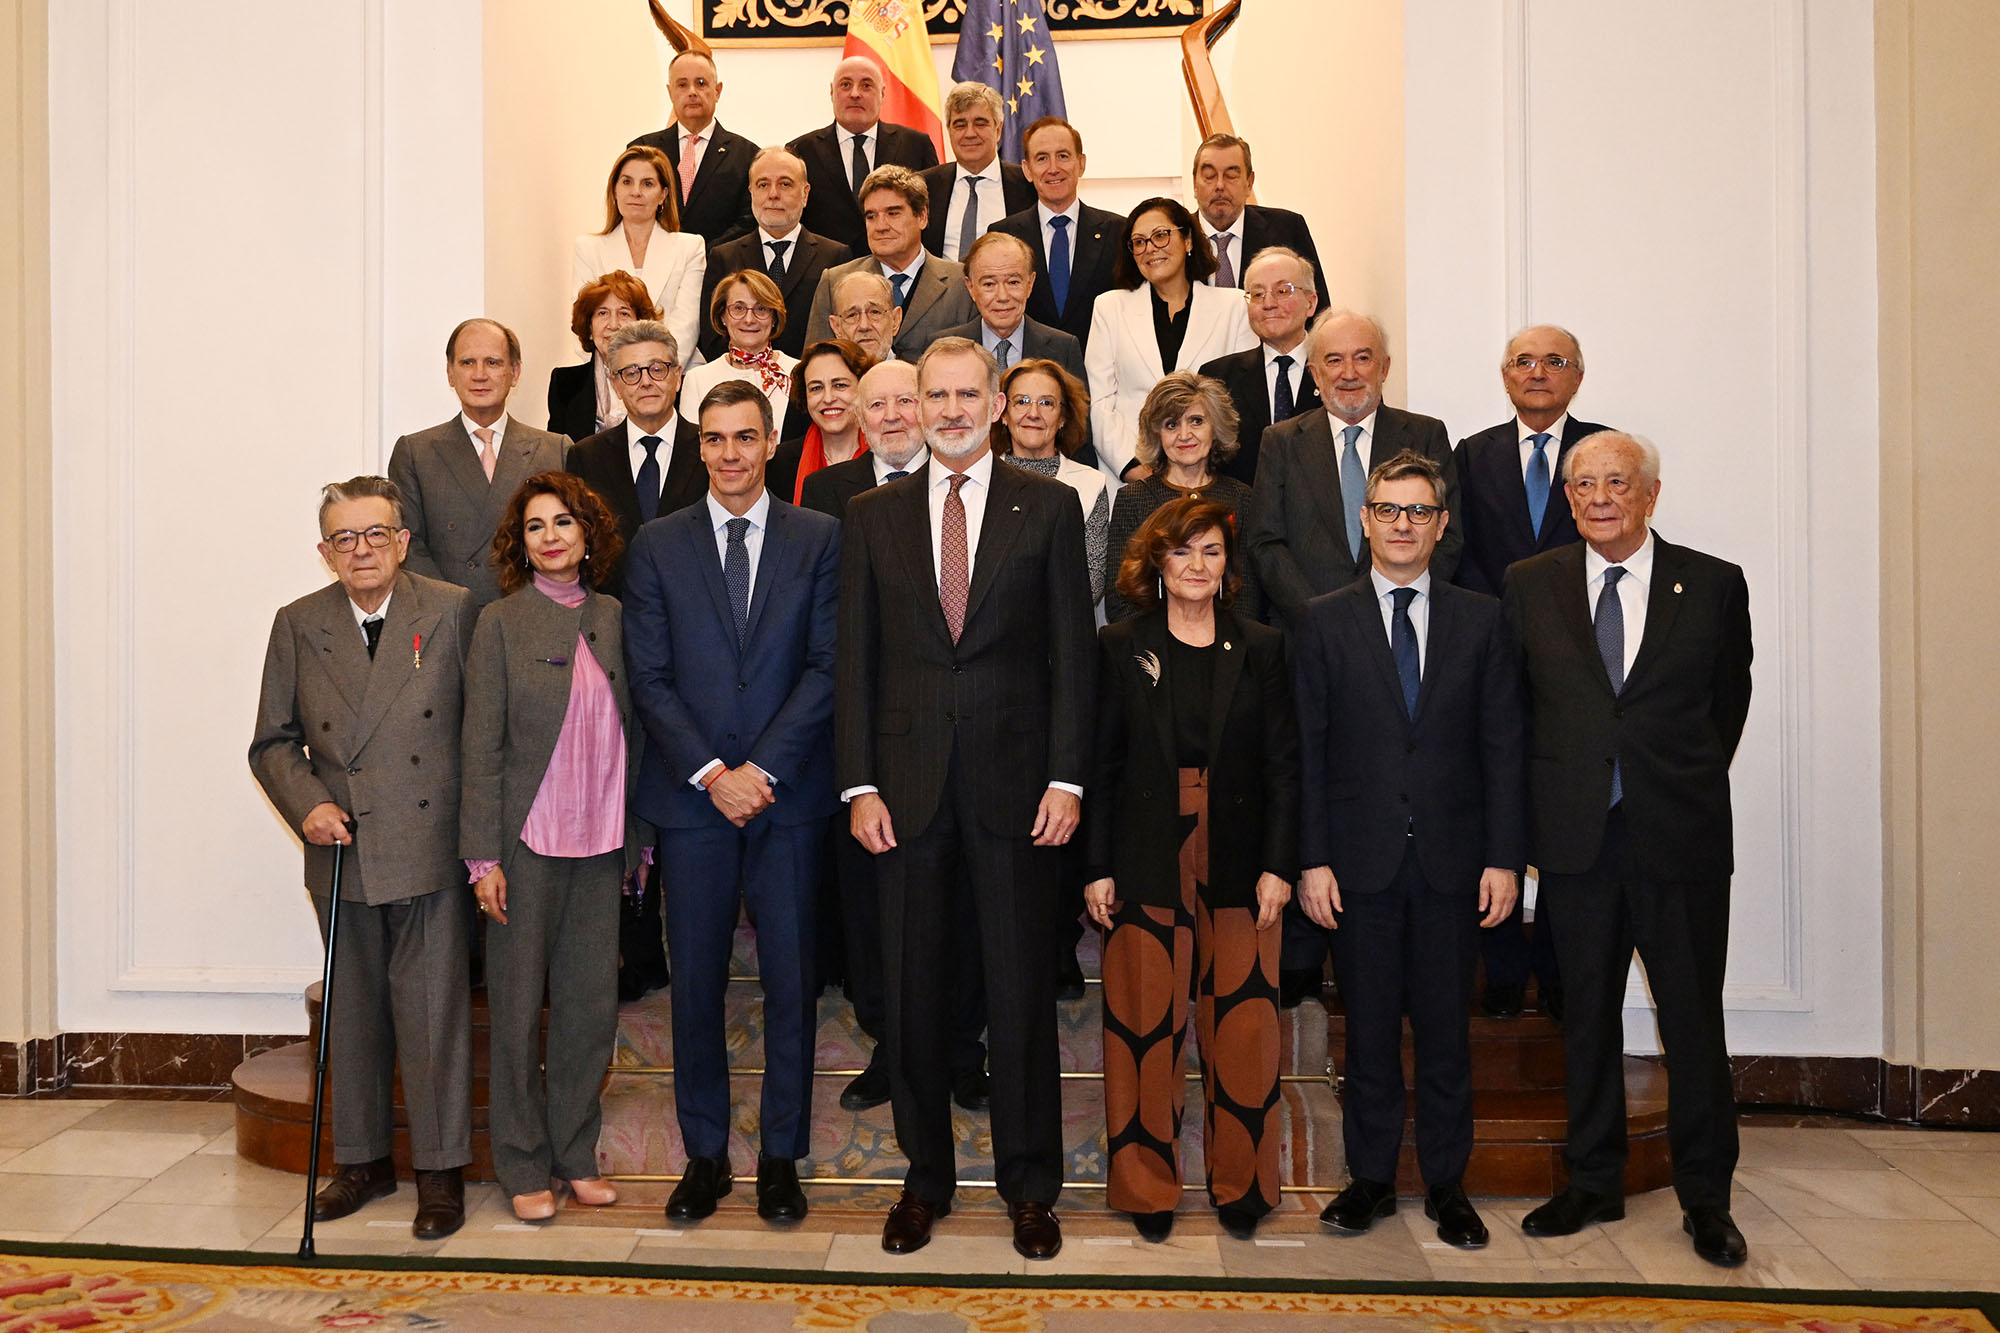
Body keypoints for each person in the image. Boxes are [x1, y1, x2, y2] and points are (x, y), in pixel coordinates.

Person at [836, 337, 1094, 1261]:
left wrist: (1068, 776)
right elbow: (857, 660)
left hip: (1020, 793)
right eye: (931, 394)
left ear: (995, 403)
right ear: (912, 406)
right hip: (902, 796)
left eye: (964, 393)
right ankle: (925, 1179)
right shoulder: (872, 513)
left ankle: (1031, 1188)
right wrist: (859, 783)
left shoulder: (1052, 508)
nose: (947, 409)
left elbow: (1073, 653)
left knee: (1021, 991)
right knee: (911, 995)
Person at [1504, 432, 1754, 1269]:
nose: (1599, 496)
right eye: (1584, 483)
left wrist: (1663, 781)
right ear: (1567, 497)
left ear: (1651, 493)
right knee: (1585, 1023)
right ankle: (1593, 1179)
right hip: (1575, 842)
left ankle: (1708, 1197)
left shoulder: (1714, 583)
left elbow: (1726, 708)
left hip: (1677, 838)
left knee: (1691, 1020)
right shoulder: (1528, 584)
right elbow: (1518, 712)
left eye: (1617, 481)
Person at [1293, 451, 1525, 1252]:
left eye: (1418, 511)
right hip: (1356, 868)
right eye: (1388, 509)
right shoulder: (1323, 618)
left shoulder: (1483, 618)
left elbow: (1503, 745)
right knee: (1368, 1038)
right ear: (1365, 519)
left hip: (1456, 866)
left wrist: (1504, 855)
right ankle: (1370, 1180)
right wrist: (1312, 858)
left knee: (1445, 1033)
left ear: (1441, 522)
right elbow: (1308, 751)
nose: (1402, 524)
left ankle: (1449, 1184)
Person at [624, 379, 843, 1226]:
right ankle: (705, 1155)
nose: (729, 454)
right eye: (713, 439)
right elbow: (649, 675)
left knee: (791, 983)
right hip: (693, 803)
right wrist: (716, 772)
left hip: (787, 800)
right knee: (697, 985)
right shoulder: (656, 543)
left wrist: (765, 771)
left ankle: (782, 1156)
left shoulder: (818, 536)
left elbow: (826, 665)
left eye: (744, 437)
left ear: (770, 440)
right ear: (698, 447)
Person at [249, 475, 476, 1241]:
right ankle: (363, 1161)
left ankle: (440, 1172)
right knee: (352, 1017)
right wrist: (307, 801)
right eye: (344, 538)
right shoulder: (297, 623)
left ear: (402, 541)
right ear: (324, 552)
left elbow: (479, 734)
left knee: (434, 1014)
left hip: (429, 847)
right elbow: (273, 740)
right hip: (342, 847)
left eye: (375, 534)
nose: (362, 550)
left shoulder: (448, 609)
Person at [1084, 496, 1297, 1244]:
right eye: (1182, 552)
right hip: (1145, 846)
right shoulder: (1119, 643)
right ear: (1157, 563)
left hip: (1242, 851)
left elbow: (1283, 766)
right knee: (1143, 1023)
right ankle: (1147, 1187)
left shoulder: (1263, 645)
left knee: (1245, 1024)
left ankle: (1243, 1185)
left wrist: (1279, 865)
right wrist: (1097, 863)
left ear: (1226, 564)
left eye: (1210, 552)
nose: (1198, 566)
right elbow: (1102, 763)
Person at [1243, 307, 1461, 1008]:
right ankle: (1304, 957)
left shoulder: (1424, 434)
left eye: (1362, 357)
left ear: (1385, 367)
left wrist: (1374, 610)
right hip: (1305, 640)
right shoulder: (1282, 439)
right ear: (1312, 372)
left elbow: (1449, 539)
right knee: (1309, 773)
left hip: (1402, 640)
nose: (1348, 372)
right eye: (1332, 360)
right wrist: (1323, 615)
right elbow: (1266, 542)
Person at [801, 361, 989, 1116]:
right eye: (869, 402)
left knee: (968, 907)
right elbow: (839, 633)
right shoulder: (830, 494)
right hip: (876, 734)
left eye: (900, 400)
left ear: (925, 408)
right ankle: (891, 1044)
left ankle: (963, 1047)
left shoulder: (980, 494)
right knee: (876, 909)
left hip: (972, 741)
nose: (885, 413)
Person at [461, 472, 643, 1221]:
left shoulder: (615, 616)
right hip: (523, 849)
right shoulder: (500, 622)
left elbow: (641, 728)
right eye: (535, 526)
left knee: (588, 1011)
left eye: (564, 521)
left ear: (587, 532)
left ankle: (575, 1154)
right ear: (520, 543)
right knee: (513, 1014)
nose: (551, 536)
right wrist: (482, 857)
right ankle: (523, 1164)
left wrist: (642, 839)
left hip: (602, 844)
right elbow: (480, 747)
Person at [1454, 324, 1611, 1022]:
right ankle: (1503, 971)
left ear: (1578, 377)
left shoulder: (1605, 450)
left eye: (1555, 362)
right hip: (1491, 655)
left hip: (1576, 664)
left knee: (1563, 820)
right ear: (1505, 374)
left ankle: (1555, 968)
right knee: (1495, 806)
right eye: (1524, 361)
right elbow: (1458, 551)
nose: (1538, 372)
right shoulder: (1472, 453)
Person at [389, 318, 568, 607]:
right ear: (450, 373)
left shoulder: (555, 449)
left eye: (493, 363)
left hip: (532, 616)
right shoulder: (415, 452)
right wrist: (451, 609)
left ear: (515, 372)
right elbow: (409, 546)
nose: (480, 375)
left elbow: (568, 542)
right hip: (448, 620)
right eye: (467, 362)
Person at [1085, 197, 1255, 484]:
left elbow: (1239, 402)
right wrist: (1134, 467)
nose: (1150, 248)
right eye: (1139, 242)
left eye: (1161, 236)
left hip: (1209, 475)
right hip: (1133, 477)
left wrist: (1198, 466)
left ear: (1188, 240)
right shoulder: (1109, 308)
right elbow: (1100, 402)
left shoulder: (1234, 306)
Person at [1102, 372, 1261, 624]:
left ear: (1215, 427)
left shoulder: (1241, 498)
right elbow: (1121, 594)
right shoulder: (1133, 498)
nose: (1184, 434)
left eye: (1196, 421)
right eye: (1171, 425)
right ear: (1157, 434)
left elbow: (1248, 594)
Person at [564, 321, 707, 597]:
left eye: (657, 369)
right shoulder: (586, 457)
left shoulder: (710, 447)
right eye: (631, 372)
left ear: (677, 376)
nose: (645, 381)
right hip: (615, 618)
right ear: (616, 384)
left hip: (696, 613)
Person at [802, 166, 976, 358]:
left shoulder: (962, 283)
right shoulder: (834, 281)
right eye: (871, 216)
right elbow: (817, 365)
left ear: (922, 217)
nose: (881, 226)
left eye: (893, 213)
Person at [698, 146, 851, 362]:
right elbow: (711, 336)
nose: (773, 194)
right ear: (751, 192)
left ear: (805, 194)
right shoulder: (723, 257)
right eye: (763, 185)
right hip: (740, 382)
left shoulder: (836, 257)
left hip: (811, 383)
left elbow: (842, 331)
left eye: (785, 184)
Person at [992, 117, 1123, 350]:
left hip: (1098, 374)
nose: (1053, 168)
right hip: (1027, 373)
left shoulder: (1118, 231)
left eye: (1063, 156)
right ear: (1027, 170)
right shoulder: (1003, 234)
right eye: (1042, 158)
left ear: (1081, 164)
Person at [787, 54, 940, 253]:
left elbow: (930, 214)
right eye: (845, 85)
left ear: (883, 93)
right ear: (832, 92)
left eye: (866, 85)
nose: (855, 94)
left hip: (899, 269)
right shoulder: (800, 151)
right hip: (826, 273)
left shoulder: (916, 144)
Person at [1197, 246, 1323, 485]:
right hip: (1243, 516)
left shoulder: (1338, 372)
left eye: (1282, 291)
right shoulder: (1217, 378)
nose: (1268, 303)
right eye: (1257, 294)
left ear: (1310, 303)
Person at [572, 146, 706, 363]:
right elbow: (584, 325)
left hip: (672, 373)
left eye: (647, 183)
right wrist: (622, 372)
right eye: (626, 182)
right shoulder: (588, 248)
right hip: (608, 372)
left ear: (663, 194)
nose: (636, 191)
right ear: (614, 191)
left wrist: (654, 372)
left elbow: (686, 329)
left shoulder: (690, 247)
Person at [995, 358, 1109, 611]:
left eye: (1047, 403)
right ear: (1003, 413)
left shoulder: (1090, 485)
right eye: (1021, 401)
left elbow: (1089, 583)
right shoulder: (980, 479)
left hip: (1062, 635)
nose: (1033, 413)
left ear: (1062, 418)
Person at [629, 50, 757, 248]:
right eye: (682, 84)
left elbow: (748, 220)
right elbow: (630, 212)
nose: (692, 92)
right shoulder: (642, 150)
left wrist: (701, 255)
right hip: (653, 263)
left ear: (717, 90)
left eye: (701, 83)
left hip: (718, 269)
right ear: (670, 92)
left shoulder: (748, 155)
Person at [1189, 134, 1328, 298]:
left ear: (1249, 183)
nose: (1219, 185)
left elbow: (1318, 309)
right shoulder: (1176, 237)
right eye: (1209, 176)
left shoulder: (1287, 229)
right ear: (1195, 184)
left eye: (1231, 176)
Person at [938, 233, 1086, 383]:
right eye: (989, 284)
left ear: (1030, 284)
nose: (1003, 296)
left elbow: (1077, 406)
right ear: (970, 288)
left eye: (1013, 282)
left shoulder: (1063, 349)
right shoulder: (942, 348)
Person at [919, 81, 1034, 262]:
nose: (970, 133)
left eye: (980, 123)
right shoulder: (923, 187)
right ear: (948, 130)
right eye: (960, 124)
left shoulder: (1029, 185)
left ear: (998, 129)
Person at [679, 269, 800, 438]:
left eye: (761, 308)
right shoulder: (697, 379)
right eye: (738, 308)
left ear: (774, 317)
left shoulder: (799, 372)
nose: (749, 319)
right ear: (722, 316)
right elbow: (694, 450)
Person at [546, 271, 660, 444]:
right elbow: (557, 455)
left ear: (640, 324)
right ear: (589, 327)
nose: (613, 325)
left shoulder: (661, 380)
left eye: (624, 313)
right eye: (602, 313)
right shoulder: (565, 384)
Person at [771, 338, 875, 506]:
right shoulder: (780, 463)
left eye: (840, 385)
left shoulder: (884, 454)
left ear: (864, 388)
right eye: (816, 388)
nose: (828, 398)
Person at [824, 271, 902, 365]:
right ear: (836, 327)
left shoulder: (915, 378)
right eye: (852, 315)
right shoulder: (822, 377)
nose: (864, 326)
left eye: (875, 312)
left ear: (895, 320)